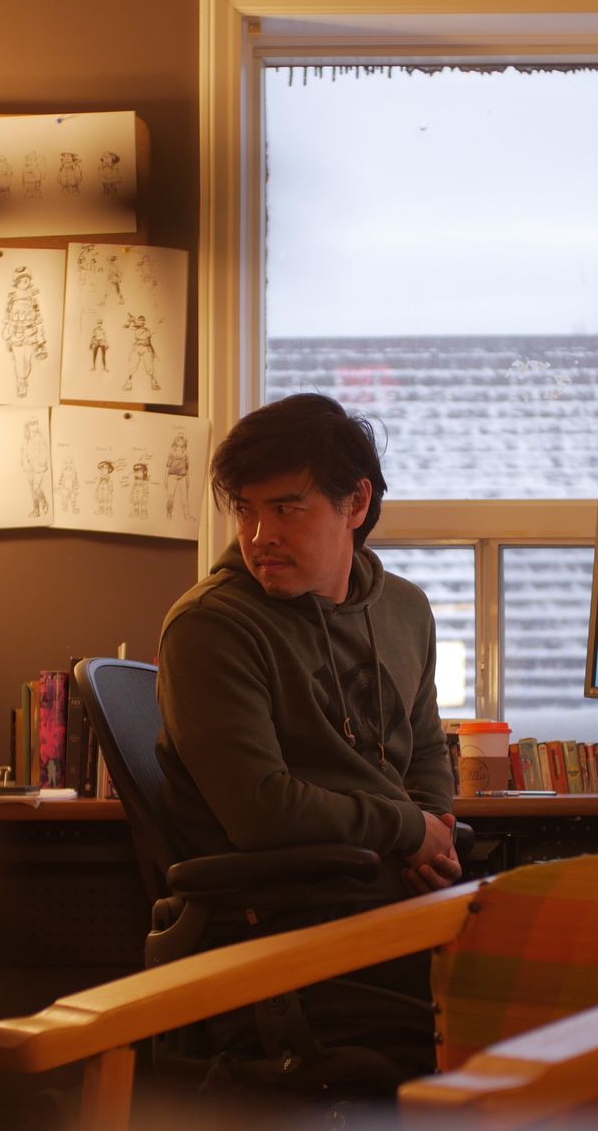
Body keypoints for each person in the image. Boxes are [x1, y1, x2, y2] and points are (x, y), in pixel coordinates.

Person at [155, 393, 459, 1089]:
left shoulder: (405, 609)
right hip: (286, 924)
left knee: (582, 963)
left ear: (356, 503)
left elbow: (425, 749)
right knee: (535, 1002)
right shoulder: (211, 626)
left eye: (287, 508)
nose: (259, 535)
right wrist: (407, 828)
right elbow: (261, 810)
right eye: (245, 510)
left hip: (400, 906)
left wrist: (435, 829)